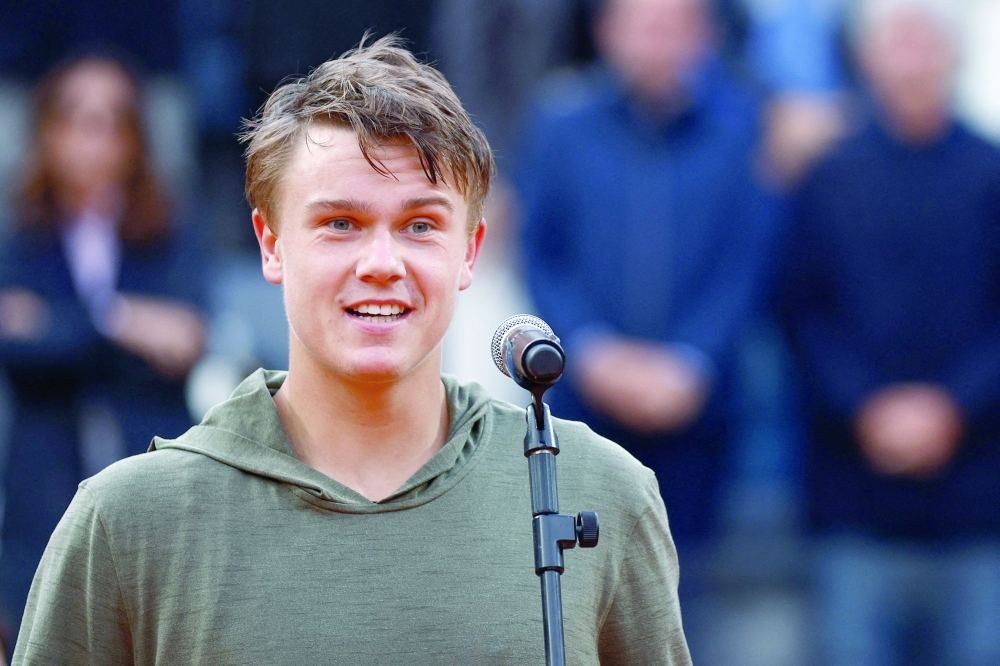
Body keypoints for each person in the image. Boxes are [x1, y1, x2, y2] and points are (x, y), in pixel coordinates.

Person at [10, 36, 692, 665]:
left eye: (420, 224)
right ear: (271, 243)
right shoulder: (127, 520)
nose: (382, 262)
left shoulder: (602, 492)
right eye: (341, 223)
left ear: (471, 251)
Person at [777, 1, 1000, 663]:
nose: (910, 62)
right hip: (853, 486)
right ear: (868, 60)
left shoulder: (991, 175)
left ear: (953, 57)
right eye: (896, 45)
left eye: (925, 44)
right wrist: (868, 407)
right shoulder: (827, 177)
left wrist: (951, 407)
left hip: (977, 491)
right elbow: (799, 312)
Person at [516, 0, 779, 546]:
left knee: (684, 591)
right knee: (581, 583)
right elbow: (541, 251)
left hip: (698, 409)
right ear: (606, 32)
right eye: (643, 26)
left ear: (704, 37)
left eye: (673, 27)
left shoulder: (739, 133)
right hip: (585, 403)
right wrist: (591, 351)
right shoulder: (562, 126)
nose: (657, 44)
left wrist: (692, 359)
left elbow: (746, 260)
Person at [0, 55, 206, 652]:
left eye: (113, 120)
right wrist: (126, 324)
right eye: (79, 119)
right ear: (48, 130)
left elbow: (187, 340)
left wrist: (76, 321)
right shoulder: (21, 234)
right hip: (43, 482)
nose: (96, 138)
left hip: (153, 472)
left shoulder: (170, 229)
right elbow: (17, 345)